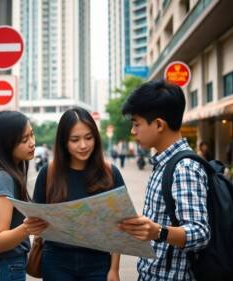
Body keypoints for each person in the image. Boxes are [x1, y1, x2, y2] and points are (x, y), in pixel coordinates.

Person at [118, 80, 210, 281]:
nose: (133, 131)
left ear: (159, 124)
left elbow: (200, 232)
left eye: (136, 124)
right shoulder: (163, 162)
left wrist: (158, 231)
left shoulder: (184, 167)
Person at [33, 106, 125, 281]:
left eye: (88, 138)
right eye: (75, 140)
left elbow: (119, 225)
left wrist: (114, 269)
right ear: (64, 143)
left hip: (98, 262)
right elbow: (37, 217)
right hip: (56, 261)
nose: (83, 145)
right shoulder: (49, 172)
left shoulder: (110, 173)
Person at [0, 111, 48, 281]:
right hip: (5, 267)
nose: (32, 143)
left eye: (32, 134)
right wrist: (30, 227)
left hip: (2, 267)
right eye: (24, 140)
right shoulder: (1, 178)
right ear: (5, 144)